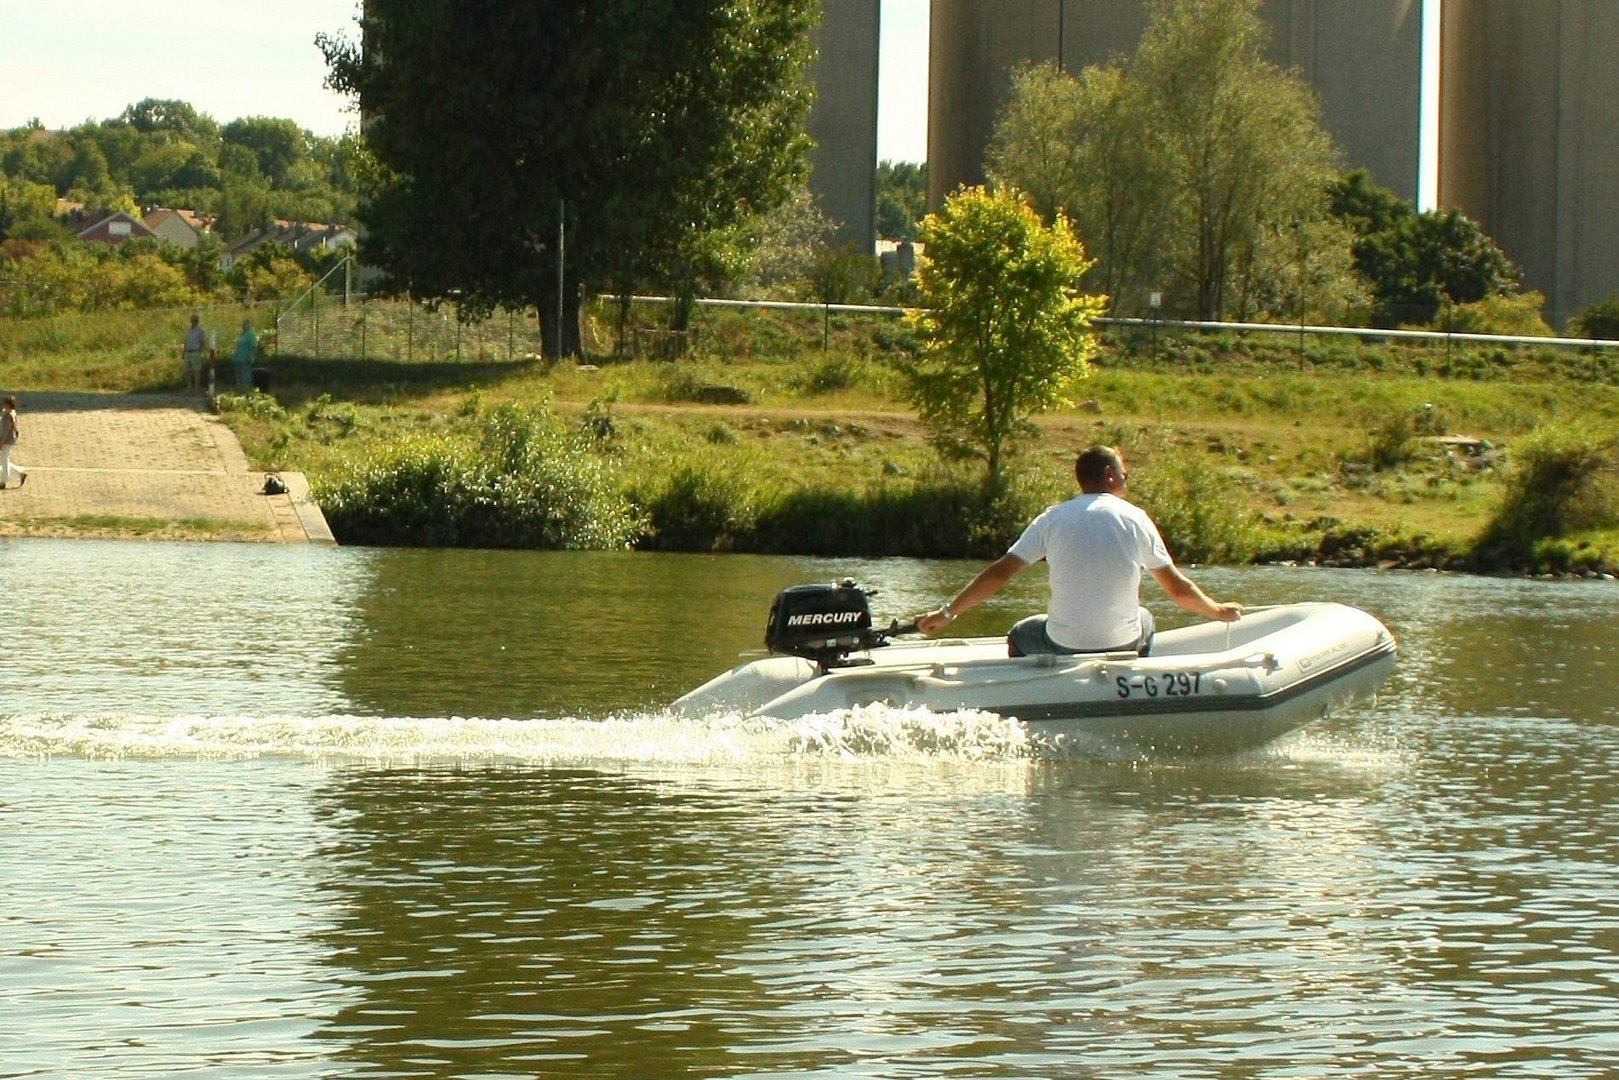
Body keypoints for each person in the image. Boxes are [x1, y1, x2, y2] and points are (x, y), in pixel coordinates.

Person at [915, 445, 1242, 656]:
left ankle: (1034, 688)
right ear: (1110, 475)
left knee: (1020, 633)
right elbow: (1178, 590)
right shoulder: (1136, 518)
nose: (1126, 483)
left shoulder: (1051, 518)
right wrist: (1218, 611)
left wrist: (947, 614)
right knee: (1146, 618)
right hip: (1122, 643)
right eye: (1125, 476)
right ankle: (1129, 680)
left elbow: (998, 574)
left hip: (1063, 645)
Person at [1, 395, 28, 489]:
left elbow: (7, 430)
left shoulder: (9, 416)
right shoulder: (7, 413)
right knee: (4, 460)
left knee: (4, 460)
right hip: (7, 439)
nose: (3, 404)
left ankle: (4, 481)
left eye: (5, 403)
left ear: (8, 405)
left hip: (6, 440)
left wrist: (1, 442)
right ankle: (20, 472)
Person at [182, 313, 207, 391]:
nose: (193, 322)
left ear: (197, 321)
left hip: (195, 352)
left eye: (195, 320)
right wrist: (184, 352)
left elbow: (202, 342)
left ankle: (196, 388)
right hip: (188, 352)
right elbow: (186, 342)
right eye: (192, 320)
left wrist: (200, 352)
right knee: (188, 371)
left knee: (196, 371)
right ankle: (189, 387)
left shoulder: (200, 330)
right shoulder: (188, 330)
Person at [232, 318, 259, 391]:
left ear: (249, 325)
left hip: (245, 359)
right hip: (238, 358)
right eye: (243, 324)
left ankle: (246, 391)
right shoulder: (241, 335)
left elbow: (253, 346)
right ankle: (239, 390)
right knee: (238, 376)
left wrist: (251, 356)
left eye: (246, 324)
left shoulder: (250, 334)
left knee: (246, 376)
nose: (244, 325)